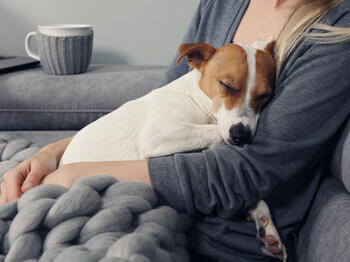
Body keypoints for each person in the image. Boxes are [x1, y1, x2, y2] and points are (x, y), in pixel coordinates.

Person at [1, 0, 350, 261]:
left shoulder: (337, 27)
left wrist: (82, 173)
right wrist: (53, 153)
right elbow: (156, 106)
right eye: (228, 87)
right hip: (124, 196)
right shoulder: (225, 3)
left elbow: (249, 171)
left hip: (211, 237)